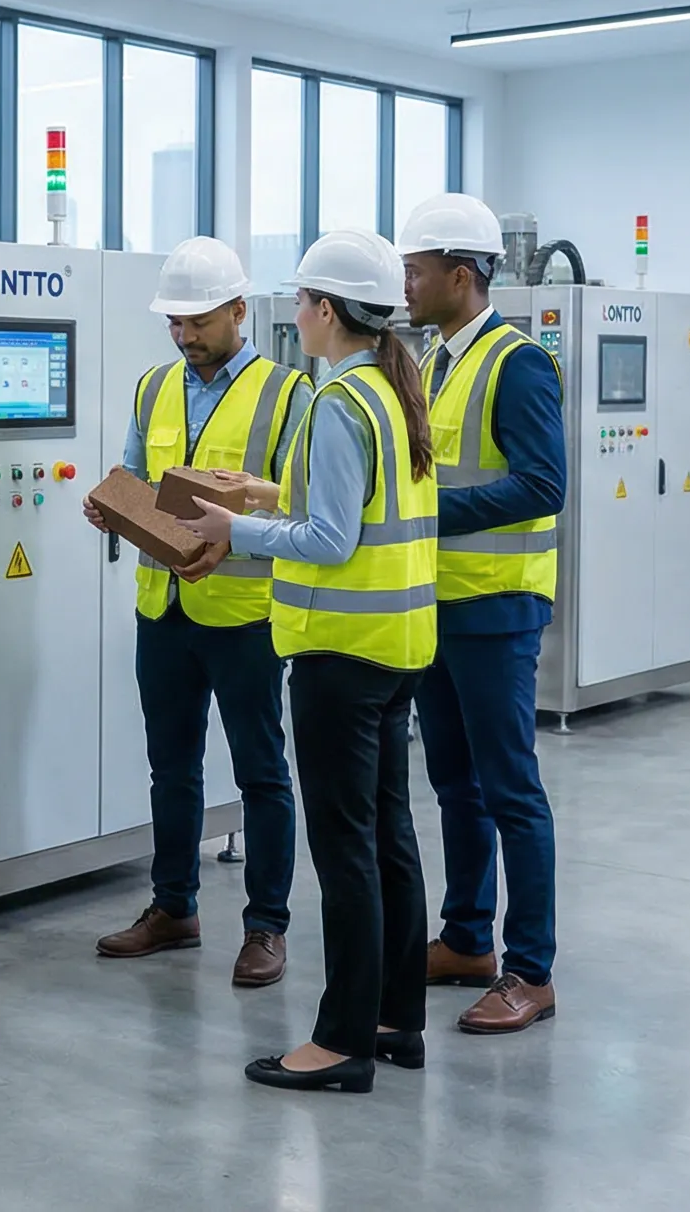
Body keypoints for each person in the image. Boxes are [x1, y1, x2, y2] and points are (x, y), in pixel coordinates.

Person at [177, 230, 437, 1094]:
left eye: (300, 300)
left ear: (325, 310)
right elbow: (358, 505)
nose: (295, 313)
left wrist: (235, 528)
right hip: (397, 647)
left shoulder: (336, 401)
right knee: (389, 840)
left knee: (346, 852)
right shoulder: (390, 391)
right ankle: (396, 1020)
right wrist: (267, 493)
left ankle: (341, 1041)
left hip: (340, 654)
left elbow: (331, 538)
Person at [84, 237, 304, 984]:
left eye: (198, 321)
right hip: (164, 609)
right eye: (174, 322)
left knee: (261, 773)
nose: (183, 335)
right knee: (171, 769)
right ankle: (173, 907)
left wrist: (238, 523)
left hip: (246, 613)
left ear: (239, 310)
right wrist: (113, 506)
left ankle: (266, 926)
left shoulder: (288, 394)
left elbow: (301, 503)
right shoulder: (154, 387)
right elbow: (137, 477)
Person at [397, 195, 568, 1036]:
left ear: (461, 275)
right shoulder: (433, 361)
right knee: (454, 784)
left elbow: (543, 484)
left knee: (510, 789)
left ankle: (530, 971)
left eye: (416, 270)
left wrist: (427, 513)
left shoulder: (517, 363)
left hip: (497, 607)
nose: (405, 284)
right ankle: (467, 939)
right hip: (439, 604)